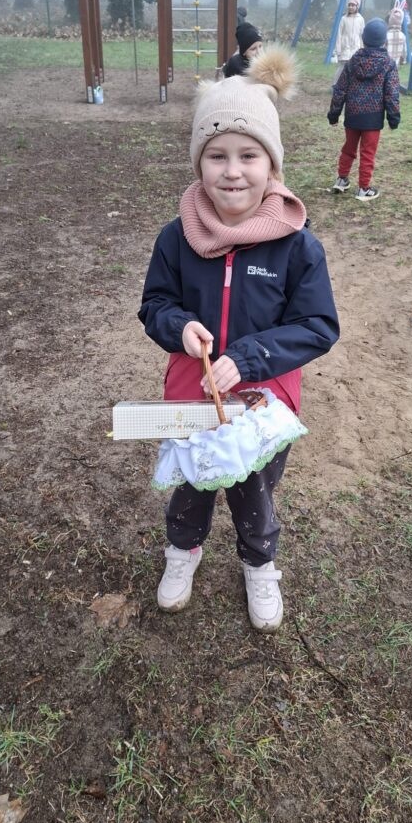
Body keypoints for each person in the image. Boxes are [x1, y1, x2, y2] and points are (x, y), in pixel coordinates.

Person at [139, 45, 340, 632]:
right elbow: (155, 305)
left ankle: (259, 564)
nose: (232, 171)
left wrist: (249, 357)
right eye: (217, 156)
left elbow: (317, 326)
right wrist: (179, 327)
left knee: (255, 488)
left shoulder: (297, 246)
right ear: (198, 164)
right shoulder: (176, 238)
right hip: (191, 393)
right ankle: (183, 551)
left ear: (271, 165)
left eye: (248, 155)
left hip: (265, 400)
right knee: (191, 484)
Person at [328, 18, 400, 201]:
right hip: (373, 118)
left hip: (352, 114)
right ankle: (364, 188)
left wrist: (334, 114)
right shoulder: (388, 64)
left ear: (363, 38)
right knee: (367, 153)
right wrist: (393, 118)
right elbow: (391, 94)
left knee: (348, 148)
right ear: (384, 41)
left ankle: (342, 179)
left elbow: (340, 89)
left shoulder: (352, 61)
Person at [334, 0, 365, 79]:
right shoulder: (344, 19)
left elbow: (362, 35)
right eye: (349, 5)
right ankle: (336, 85)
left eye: (353, 5)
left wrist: (362, 49)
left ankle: (351, 86)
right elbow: (339, 34)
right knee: (341, 70)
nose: (351, 7)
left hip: (356, 49)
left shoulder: (360, 19)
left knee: (354, 71)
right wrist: (338, 50)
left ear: (357, 6)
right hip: (345, 49)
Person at [386, 2, 407, 68]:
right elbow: (404, 50)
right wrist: (404, 59)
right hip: (395, 65)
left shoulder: (386, 34)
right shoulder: (402, 36)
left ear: (390, 20)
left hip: (385, 64)